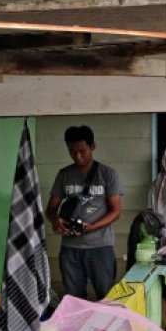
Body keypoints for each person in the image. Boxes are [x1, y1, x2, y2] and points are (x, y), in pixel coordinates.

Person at [46, 126, 123, 299]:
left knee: (106, 296)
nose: (78, 157)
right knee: (73, 299)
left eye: (82, 151)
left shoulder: (107, 174)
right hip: (70, 249)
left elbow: (116, 211)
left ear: (93, 146)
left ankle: (106, 327)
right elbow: (51, 209)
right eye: (72, 152)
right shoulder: (64, 175)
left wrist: (91, 227)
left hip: (100, 247)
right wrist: (56, 221)